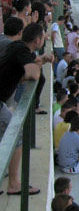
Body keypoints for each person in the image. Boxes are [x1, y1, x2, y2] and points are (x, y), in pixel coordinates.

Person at [0, 23, 51, 196]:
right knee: (17, 134)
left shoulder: (19, 48)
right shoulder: (21, 51)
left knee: (5, 134)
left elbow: (28, 67)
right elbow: (33, 74)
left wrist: (42, 59)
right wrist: (39, 63)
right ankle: (14, 184)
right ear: (37, 40)